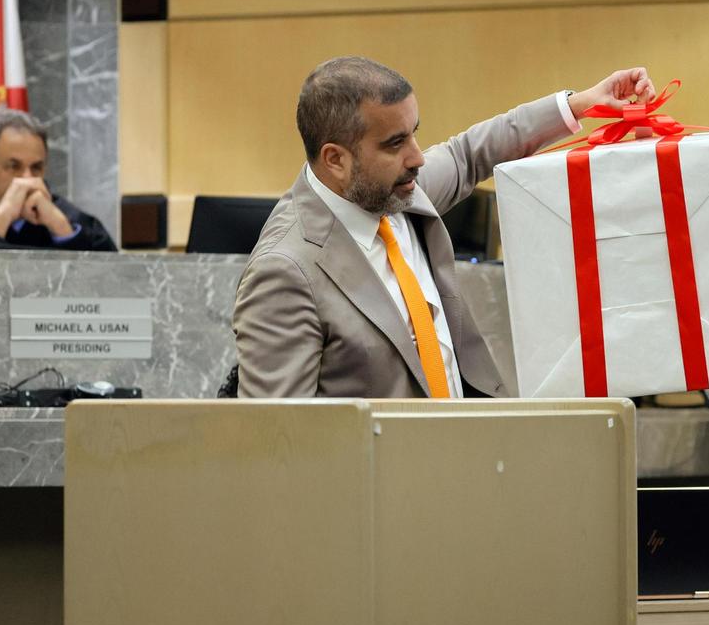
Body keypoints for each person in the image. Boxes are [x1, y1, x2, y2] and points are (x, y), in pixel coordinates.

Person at [234, 56, 655, 399]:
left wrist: (581, 104)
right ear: (335, 159)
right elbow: (279, 447)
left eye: (414, 135)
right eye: (395, 143)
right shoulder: (285, 271)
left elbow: (468, 153)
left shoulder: (392, 189)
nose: (417, 157)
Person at [0, 108, 117, 251]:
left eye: (36, 168)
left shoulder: (69, 219)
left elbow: (117, 284)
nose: (27, 180)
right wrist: (2, 218)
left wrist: (62, 231)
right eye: (13, 167)